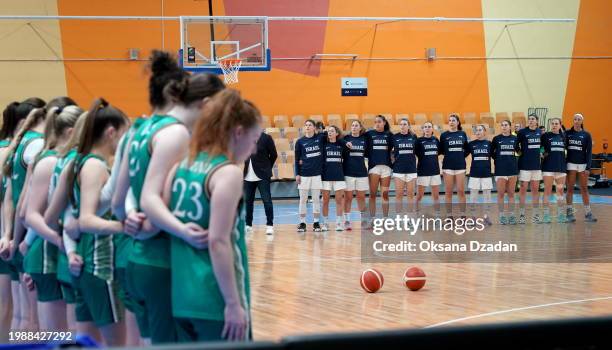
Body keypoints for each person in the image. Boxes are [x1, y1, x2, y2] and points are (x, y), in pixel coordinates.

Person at [126, 72, 224, 344]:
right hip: (163, 257)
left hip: (135, 256)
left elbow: (119, 192)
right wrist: (180, 230)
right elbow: (152, 196)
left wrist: (130, 217)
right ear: (205, 104)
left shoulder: (140, 129)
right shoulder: (176, 133)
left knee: (149, 342)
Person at [159, 89, 259, 342]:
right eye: (254, 138)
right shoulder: (227, 173)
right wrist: (233, 304)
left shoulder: (181, 166)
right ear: (238, 132)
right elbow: (218, 241)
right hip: (214, 298)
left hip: (180, 295)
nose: (254, 148)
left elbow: (157, 217)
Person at [66, 99, 129, 346]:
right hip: (100, 264)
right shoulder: (94, 165)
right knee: (116, 344)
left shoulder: (79, 161)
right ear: (111, 132)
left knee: (87, 342)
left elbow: (69, 216)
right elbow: (86, 219)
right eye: (123, 134)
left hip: (86, 261)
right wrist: (123, 227)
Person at [21, 105, 81, 331]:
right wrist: (59, 241)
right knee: (51, 335)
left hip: (50, 251)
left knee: (37, 325)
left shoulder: (58, 158)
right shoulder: (49, 161)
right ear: (70, 131)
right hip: (47, 254)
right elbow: (28, 213)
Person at [0, 98, 44, 339]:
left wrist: (8, 235)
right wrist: (17, 239)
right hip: (28, 240)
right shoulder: (36, 148)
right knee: (34, 320)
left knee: (19, 313)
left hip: (12, 237)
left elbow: (11, 199)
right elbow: (23, 204)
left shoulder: (14, 149)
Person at [294, 120, 326, 233]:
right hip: (304, 175)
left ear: (314, 128)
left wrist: (321, 128)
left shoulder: (320, 138)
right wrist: (297, 173)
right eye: (306, 125)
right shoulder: (300, 142)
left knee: (316, 199)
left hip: (317, 175)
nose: (307, 127)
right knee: (303, 200)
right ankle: (302, 223)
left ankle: (316, 223)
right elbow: (297, 159)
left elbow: (329, 133)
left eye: (310, 125)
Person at [243, 131, 277, 235]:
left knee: (267, 201)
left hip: (263, 175)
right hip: (248, 175)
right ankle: (248, 225)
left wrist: (267, 168)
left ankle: (270, 225)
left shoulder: (267, 138)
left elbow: (274, 155)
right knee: (248, 202)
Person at [565, 113, 596, 222]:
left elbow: (589, 152)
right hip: (570, 164)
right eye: (575, 119)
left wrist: (588, 167)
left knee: (584, 188)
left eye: (579, 119)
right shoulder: (567, 133)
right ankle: (569, 213)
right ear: (573, 121)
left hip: (582, 165)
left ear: (582, 121)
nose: (577, 121)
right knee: (570, 188)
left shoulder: (587, 135)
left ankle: (588, 213)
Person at [439, 113, 469, 218]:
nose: (451, 122)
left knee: (461, 191)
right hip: (448, 167)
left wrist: (461, 156)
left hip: (460, 166)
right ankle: (449, 215)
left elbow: (467, 149)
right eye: (450, 120)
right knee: (448, 192)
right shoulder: (444, 135)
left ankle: (463, 215)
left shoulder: (463, 134)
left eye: (453, 120)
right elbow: (441, 150)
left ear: (458, 122)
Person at [365, 115, 393, 220]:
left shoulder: (389, 135)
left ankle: (385, 218)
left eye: (379, 121)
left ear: (384, 123)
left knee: (385, 194)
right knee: (372, 194)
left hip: (386, 168)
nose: (377, 123)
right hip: (374, 168)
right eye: (375, 122)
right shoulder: (369, 134)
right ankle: (372, 218)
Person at [516, 114, 543, 224]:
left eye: (533, 119)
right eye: (529, 119)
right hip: (524, 166)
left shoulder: (540, 133)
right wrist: (519, 152)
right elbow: (515, 144)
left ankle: (536, 215)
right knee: (523, 190)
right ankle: (522, 215)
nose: (531, 121)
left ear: (537, 121)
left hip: (536, 167)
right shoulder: (522, 132)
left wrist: (541, 152)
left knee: (535, 191)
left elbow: (543, 145)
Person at [491, 120, 519, 224]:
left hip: (512, 169)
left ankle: (511, 216)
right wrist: (498, 159)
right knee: (501, 194)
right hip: (500, 170)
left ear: (510, 126)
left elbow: (518, 151)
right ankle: (502, 216)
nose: (503, 127)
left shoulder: (515, 139)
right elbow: (492, 153)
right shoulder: (496, 139)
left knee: (511, 194)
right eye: (502, 125)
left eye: (506, 125)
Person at [342, 120, 368, 231]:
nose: (354, 127)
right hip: (348, 172)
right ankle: (347, 221)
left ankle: (363, 221)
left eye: (356, 125)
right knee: (348, 198)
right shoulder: (345, 139)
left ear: (360, 128)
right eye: (352, 125)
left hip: (361, 172)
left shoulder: (364, 139)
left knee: (361, 197)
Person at [540, 118, 567, 223]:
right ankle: (546, 215)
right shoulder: (545, 136)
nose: (554, 125)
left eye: (556, 124)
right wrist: (542, 153)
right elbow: (540, 148)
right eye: (553, 124)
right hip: (548, 168)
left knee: (560, 191)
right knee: (547, 191)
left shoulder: (564, 137)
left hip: (561, 168)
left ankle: (560, 214)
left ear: (560, 125)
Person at [321, 125, 346, 231]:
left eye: (332, 131)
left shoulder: (341, 145)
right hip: (326, 177)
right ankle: (325, 223)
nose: (329, 133)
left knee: (339, 201)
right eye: (328, 131)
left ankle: (339, 223)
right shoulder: (324, 145)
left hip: (339, 176)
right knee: (325, 201)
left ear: (336, 133)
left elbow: (346, 160)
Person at [467, 125, 493, 225]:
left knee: (487, 197)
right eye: (476, 130)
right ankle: (473, 218)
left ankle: (486, 217)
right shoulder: (471, 144)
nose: (478, 132)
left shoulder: (489, 144)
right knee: (473, 197)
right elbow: (463, 154)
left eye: (480, 130)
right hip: (474, 173)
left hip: (486, 173)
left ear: (484, 131)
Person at [391, 118, 417, 214]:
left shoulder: (414, 137)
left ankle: (410, 218)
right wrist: (392, 162)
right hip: (398, 170)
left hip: (411, 169)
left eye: (405, 124)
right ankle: (399, 217)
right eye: (401, 124)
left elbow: (417, 152)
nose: (402, 126)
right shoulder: (395, 137)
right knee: (399, 195)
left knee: (410, 195)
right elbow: (389, 151)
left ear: (408, 126)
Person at [415, 122, 441, 212]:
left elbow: (439, 152)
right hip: (423, 171)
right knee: (419, 196)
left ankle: (437, 214)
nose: (427, 128)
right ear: (423, 129)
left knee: (436, 196)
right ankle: (416, 213)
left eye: (429, 127)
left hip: (435, 171)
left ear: (432, 129)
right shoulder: (419, 141)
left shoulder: (436, 140)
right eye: (425, 127)